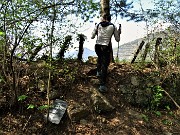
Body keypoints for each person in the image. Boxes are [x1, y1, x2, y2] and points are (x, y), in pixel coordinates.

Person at [91, 14, 121, 93]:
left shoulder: (98, 25)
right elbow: (117, 39)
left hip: (97, 46)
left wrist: (97, 31)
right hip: (106, 47)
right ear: (110, 19)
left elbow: (92, 36)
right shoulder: (113, 26)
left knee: (100, 58)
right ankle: (102, 85)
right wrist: (118, 32)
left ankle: (98, 72)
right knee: (105, 64)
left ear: (104, 18)